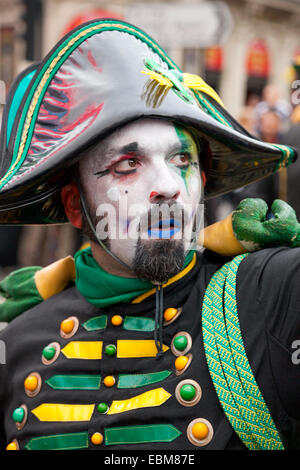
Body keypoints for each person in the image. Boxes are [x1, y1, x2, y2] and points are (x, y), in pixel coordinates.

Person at [0, 19, 299, 452]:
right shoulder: (18, 342)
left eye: (182, 158)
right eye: (128, 165)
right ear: (73, 205)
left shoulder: (264, 296)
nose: (170, 186)